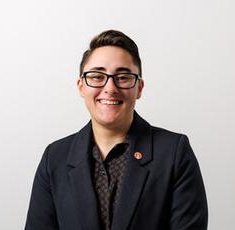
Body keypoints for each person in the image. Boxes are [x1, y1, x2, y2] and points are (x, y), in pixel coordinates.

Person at [25, 30, 208, 230]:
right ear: (81, 86)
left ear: (139, 87)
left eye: (122, 77)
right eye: (96, 76)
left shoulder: (174, 153)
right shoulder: (55, 157)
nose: (110, 88)